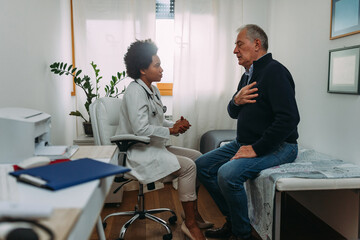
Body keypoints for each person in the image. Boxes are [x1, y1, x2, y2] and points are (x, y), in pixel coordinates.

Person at [195, 24, 300, 240]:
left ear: (257, 44)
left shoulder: (275, 72)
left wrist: (256, 149)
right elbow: (232, 112)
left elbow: (289, 119)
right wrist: (235, 100)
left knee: (227, 174)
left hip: (281, 146)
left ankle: (242, 235)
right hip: (244, 141)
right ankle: (234, 222)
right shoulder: (248, 75)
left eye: (239, 44)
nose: (235, 50)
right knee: (202, 166)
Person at [118, 39, 211, 240]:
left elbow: (158, 121)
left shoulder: (152, 89)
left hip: (154, 147)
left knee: (199, 158)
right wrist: (170, 131)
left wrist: (174, 125)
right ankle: (190, 224)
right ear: (143, 69)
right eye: (157, 65)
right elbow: (141, 129)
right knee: (188, 167)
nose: (161, 69)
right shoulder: (135, 92)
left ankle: (192, 213)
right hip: (138, 152)